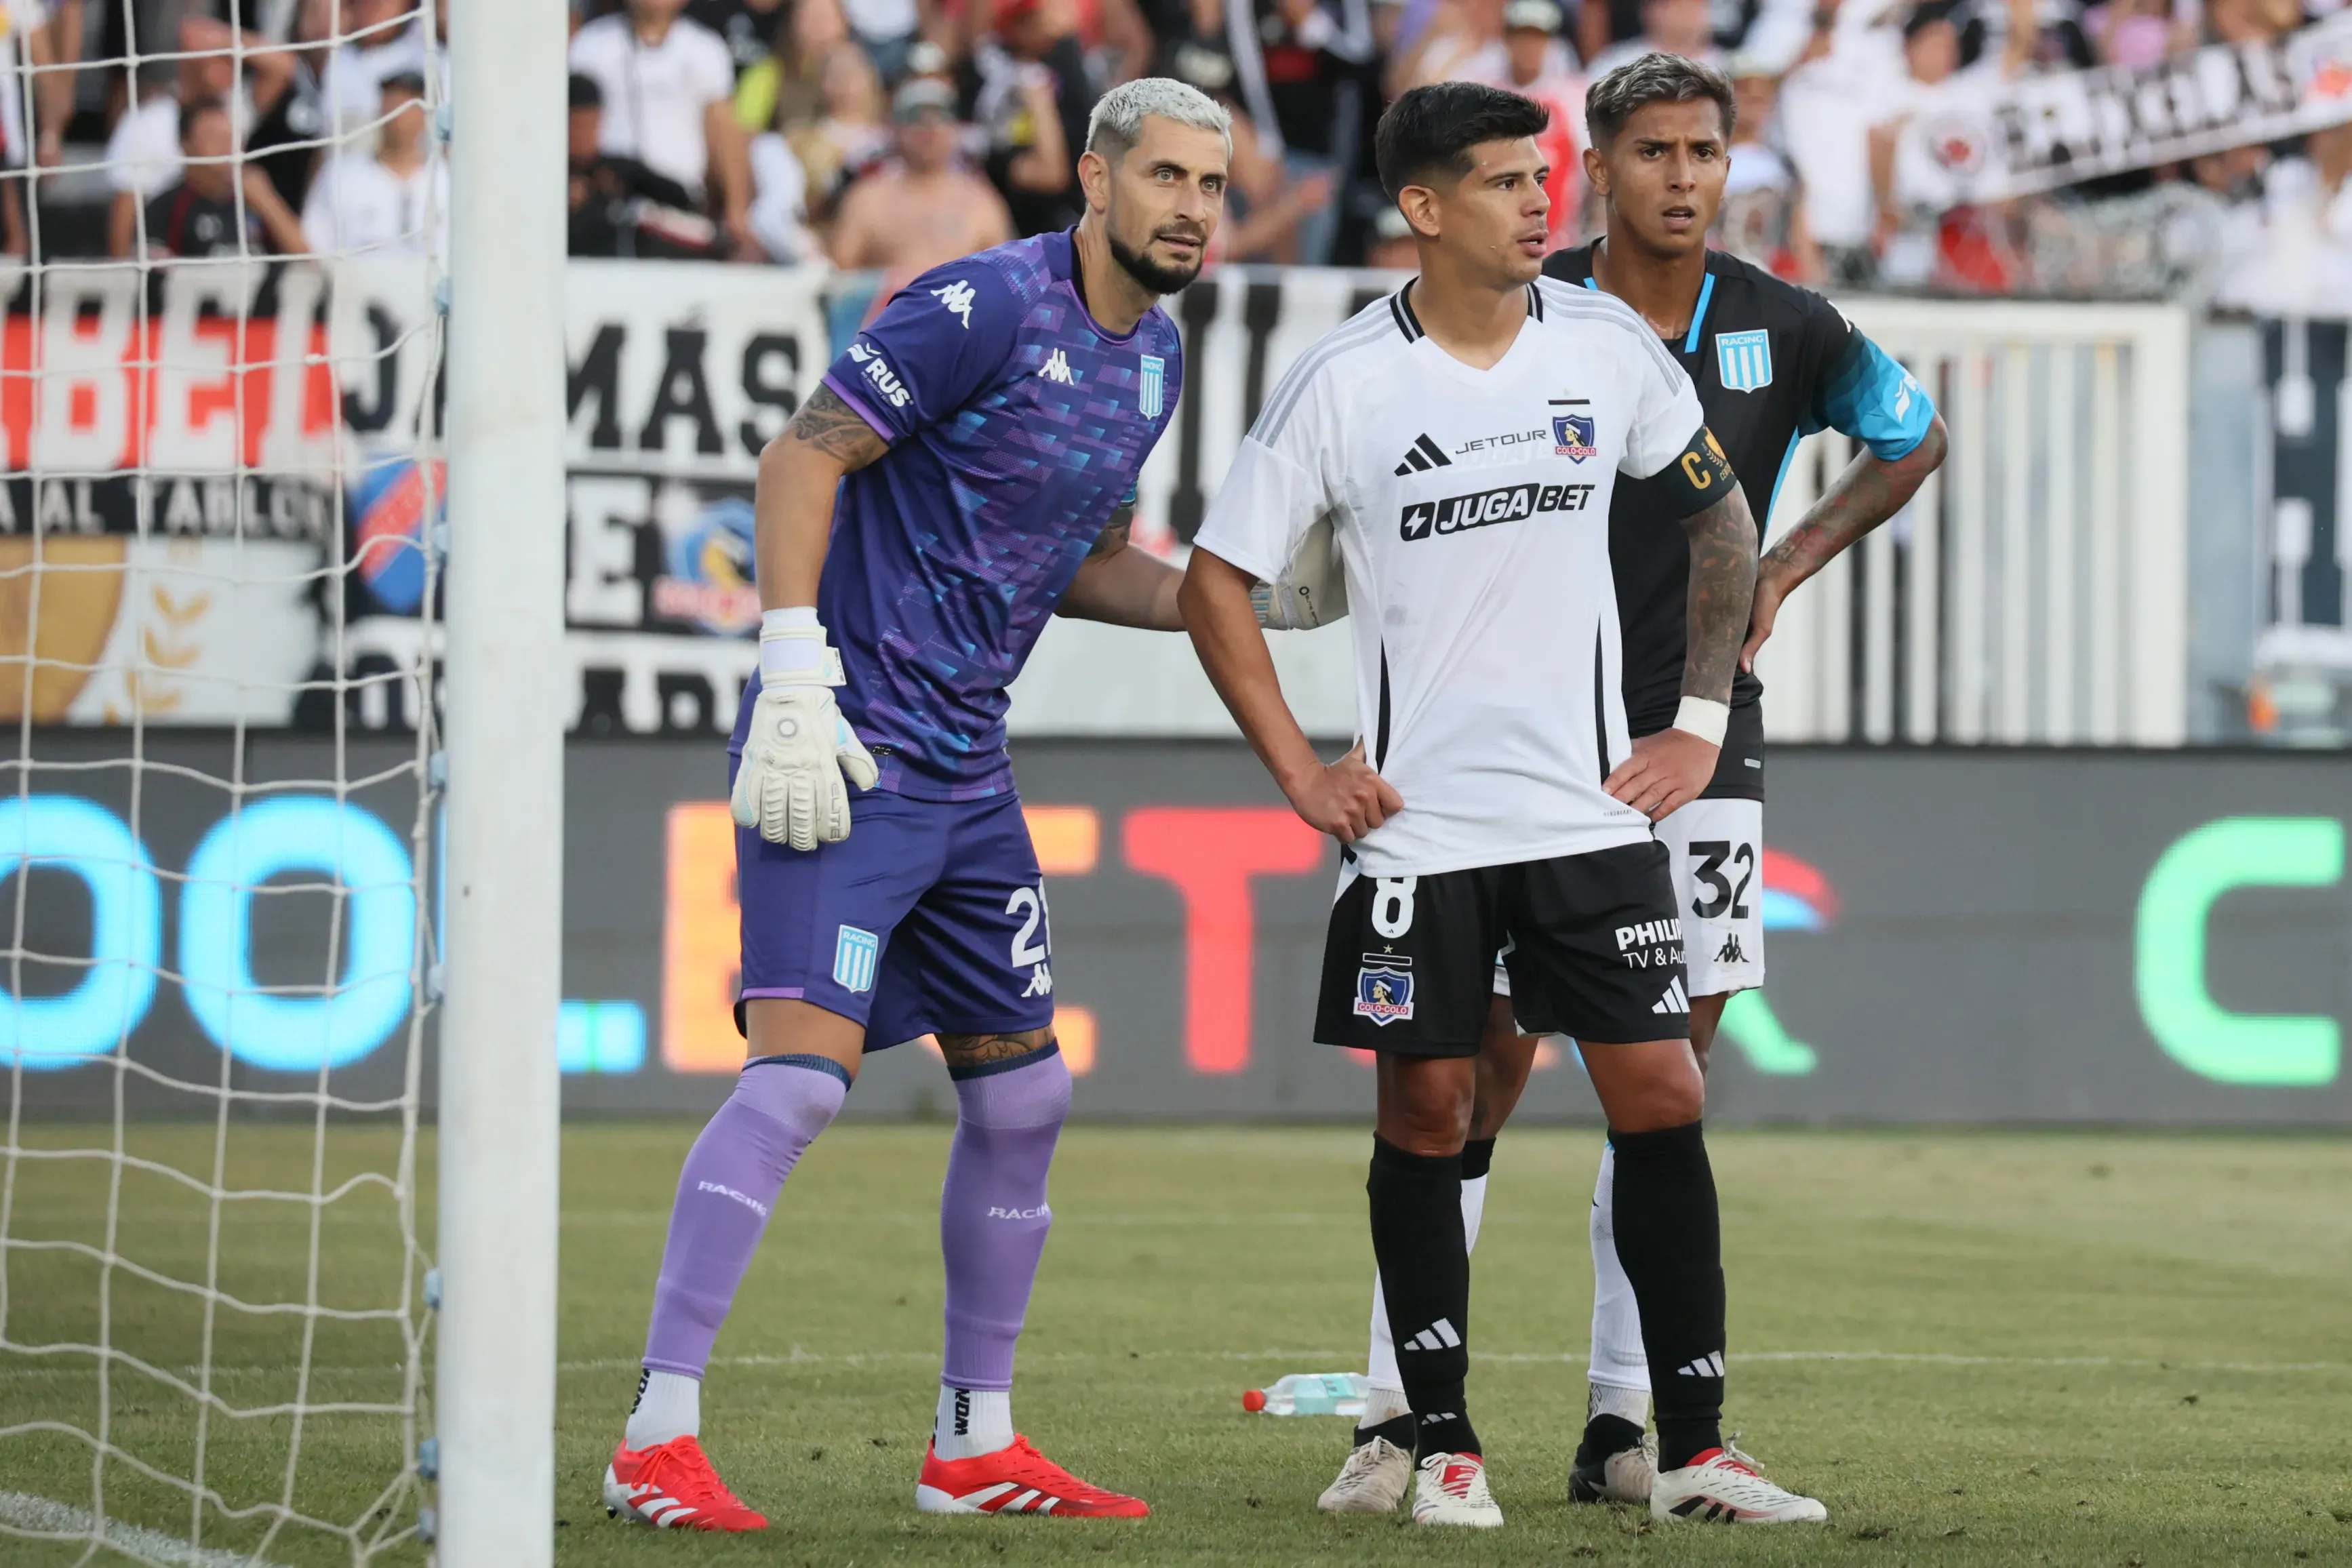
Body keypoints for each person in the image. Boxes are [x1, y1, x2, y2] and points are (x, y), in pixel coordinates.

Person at [601, 77, 1293, 1532]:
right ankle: (652, 1436)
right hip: (843, 741)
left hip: (969, 765)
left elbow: (1085, 561)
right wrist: (792, 669)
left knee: (1026, 1086)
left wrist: (1232, 597)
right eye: (1163, 176)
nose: (1189, 207)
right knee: (796, 1080)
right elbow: (805, 453)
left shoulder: (1153, 360)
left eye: (1212, 186)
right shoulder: (979, 305)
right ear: (1092, 181)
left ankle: (971, 1444)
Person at [1180, 77, 1823, 1530]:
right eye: (1503, 181)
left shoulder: (1606, 348)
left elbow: (1722, 519)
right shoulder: (1346, 382)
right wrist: (1300, 768)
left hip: (1589, 817)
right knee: (1431, 1108)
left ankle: (1696, 1445)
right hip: (1420, 830)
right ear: (1422, 209)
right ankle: (1439, 1436)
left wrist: (1697, 722)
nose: (1543, 202)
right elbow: (1219, 578)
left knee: (1661, 1089)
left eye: (1542, 177)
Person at [1311, 53, 1946, 1521]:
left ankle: (1621, 1423)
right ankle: (1398, 1408)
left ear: (1732, 166)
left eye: (1704, 151)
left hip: (1701, 738)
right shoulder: (1537, 306)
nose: (1681, 176)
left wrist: (1783, 565)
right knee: (1472, 1068)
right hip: (1526, 752)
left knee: (1664, 1069)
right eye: (1650, 151)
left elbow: (1912, 437)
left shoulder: (1792, 326)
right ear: (1592, 164)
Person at [570, 0, 759, 260]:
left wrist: (735, 211)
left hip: (679, 205)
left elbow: (722, 131)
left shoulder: (705, 49)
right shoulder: (590, 45)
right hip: (608, 202)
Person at [829, 77, 1014, 273]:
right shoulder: (867, 199)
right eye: (915, 118)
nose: (929, 130)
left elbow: (1005, 281)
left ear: (955, 129)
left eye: (941, 118)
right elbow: (841, 277)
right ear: (895, 130)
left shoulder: (981, 201)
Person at [136, 96, 309, 260]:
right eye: (213, 137)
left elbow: (307, 258)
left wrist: (268, 203)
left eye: (230, 136)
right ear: (186, 145)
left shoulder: (255, 203)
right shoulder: (167, 208)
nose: (227, 146)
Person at [301, 71, 447, 259]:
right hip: (359, 285)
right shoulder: (342, 175)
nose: (398, 114)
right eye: (392, 103)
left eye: (409, 104)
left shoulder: (449, 180)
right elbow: (313, 245)